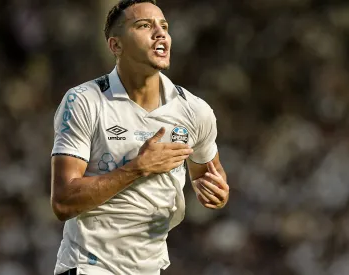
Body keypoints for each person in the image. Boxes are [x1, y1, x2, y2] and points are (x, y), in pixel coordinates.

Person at [50, 0, 229, 274]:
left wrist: (218, 193)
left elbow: (208, 174)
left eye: (164, 26)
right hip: (89, 266)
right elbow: (63, 202)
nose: (160, 33)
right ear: (115, 45)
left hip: (150, 267)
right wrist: (138, 168)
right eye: (144, 25)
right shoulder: (84, 101)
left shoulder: (194, 110)